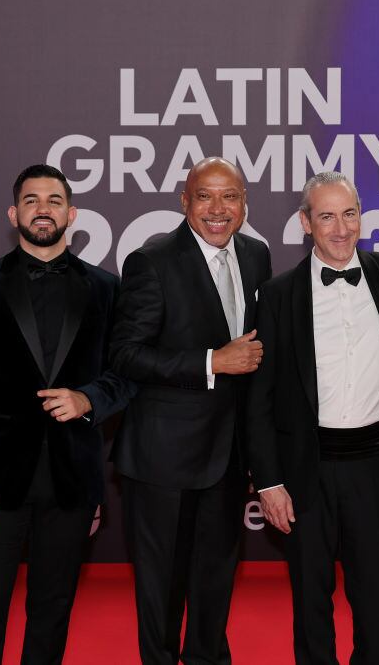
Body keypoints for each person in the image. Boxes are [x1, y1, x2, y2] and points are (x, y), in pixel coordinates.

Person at [0, 164, 135, 664]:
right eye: (31, 200)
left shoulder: (107, 289)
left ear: (72, 214)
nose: (42, 208)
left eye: (52, 200)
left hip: (72, 480)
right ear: (14, 213)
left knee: (52, 612)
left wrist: (89, 398)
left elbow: (127, 374)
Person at [246, 172, 379, 663]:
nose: (341, 228)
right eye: (326, 216)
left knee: (375, 597)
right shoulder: (278, 294)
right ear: (306, 223)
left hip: (376, 464)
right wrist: (268, 480)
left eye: (349, 213)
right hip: (306, 468)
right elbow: (258, 398)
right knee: (311, 598)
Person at [110, 157, 272, 663]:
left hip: (227, 455)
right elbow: (125, 354)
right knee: (161, 588)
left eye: (231, 196)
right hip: (163, 459)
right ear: (185, 202)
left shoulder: (257, 255)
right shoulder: (151, 260)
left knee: (214, 580)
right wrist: (211, 362)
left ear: (245, 202)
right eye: (206, 196)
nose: (218, 209)